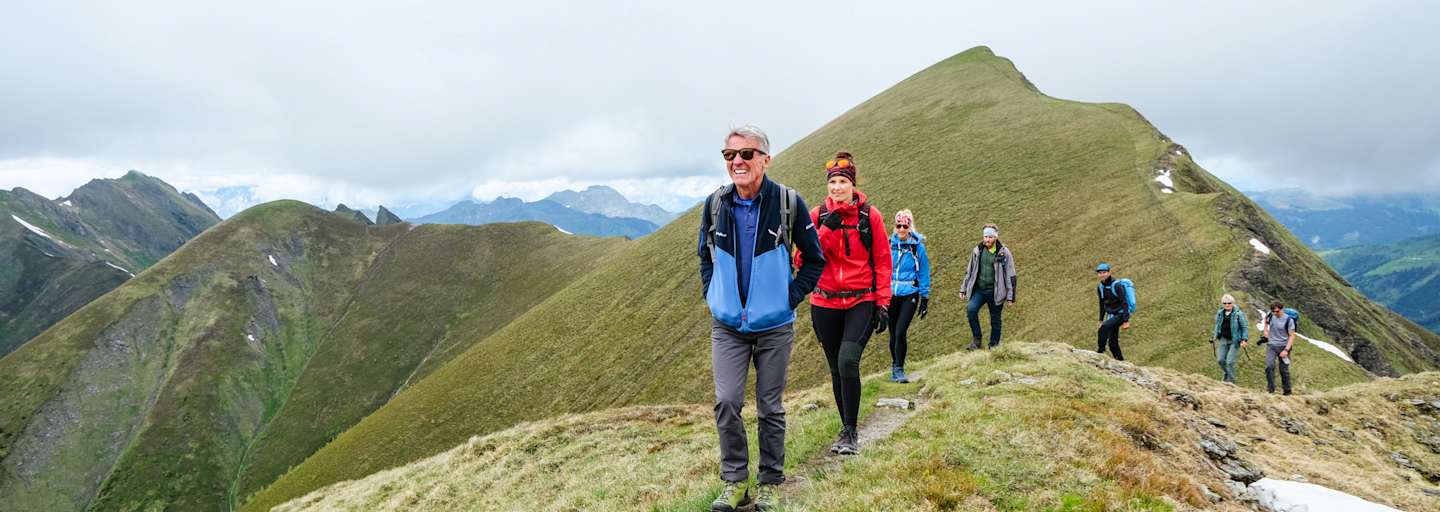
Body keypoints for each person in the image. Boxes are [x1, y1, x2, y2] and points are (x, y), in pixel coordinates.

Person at [698, 125, 825, 512]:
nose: (737, 162)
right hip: (728, 327)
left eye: (746, 154)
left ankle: (769, 481)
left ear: (765, 159)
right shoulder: (715, 204)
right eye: (729, 156)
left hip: (774, 326)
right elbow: (704, 255)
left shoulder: (788, 202)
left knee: (770, 405)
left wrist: (787, 299)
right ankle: (735, 482)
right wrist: (712, 295)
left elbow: (814, 259)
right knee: (727, 401)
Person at [799, 151, 892, 456]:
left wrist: (883, 303)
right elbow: (801, 258)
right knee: (836, 369)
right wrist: (828, 228)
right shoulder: (816, 216)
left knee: (848, 360)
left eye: (842, 182)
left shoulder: (870, 216)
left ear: (853, 185)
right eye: (833, 182)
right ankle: (845, 429)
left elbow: (882, 260)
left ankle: (851, 431)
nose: (837, 188)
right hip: (824, 303)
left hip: (860, 300)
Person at [887, 209, 930, 383]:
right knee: (892, 334)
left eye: (905, 226)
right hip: (890, 294)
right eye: (899, 226)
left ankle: (899, 369)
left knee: (900, 332)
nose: (902, 229)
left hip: (909, 294)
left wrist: (924, 297)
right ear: (895, 226)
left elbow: (924, 272)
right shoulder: (888, 244)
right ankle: (894, 366)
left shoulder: (917, 246)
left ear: (910, 226)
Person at [959, 224, 1017, 350]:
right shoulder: (977, 250)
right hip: (980, 290)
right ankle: (977, 341)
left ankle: (993, 346)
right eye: (985, 236)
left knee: (995, 320)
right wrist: (963, 288)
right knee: (971, 310)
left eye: (990, 237)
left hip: (996, 292)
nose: (987, 239)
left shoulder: (1004, 253)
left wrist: (1011, 297)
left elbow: (1011, 275)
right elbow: (969, 270)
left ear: (995, 237)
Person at [1095, 263, 1134, 361]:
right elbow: (1102, 304)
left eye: (1104, 272)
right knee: (1112, 342)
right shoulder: (1100, 287)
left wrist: (1126, 320)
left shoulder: (1116, 285)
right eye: (1100, 273)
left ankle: (1100, 351)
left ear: (1109, 273)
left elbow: (1124, 302)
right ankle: (1120, 361)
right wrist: (1100, 319)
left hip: (1121, 314)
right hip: (1111, 315)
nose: (1102, 274)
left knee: (1104, 328)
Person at [1211, 294, 1248, 384]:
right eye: (1225, 303)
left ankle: (1231, 382)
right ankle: (1227, 374)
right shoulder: (1220, 313)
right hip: (1223, 339)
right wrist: (1214, 336)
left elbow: (1244, 327)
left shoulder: (1238, 314)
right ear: (1222, 304)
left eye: (1229, 303)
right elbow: (1217, 325)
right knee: (1220, 360)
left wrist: (1244, 339)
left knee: (1230, 362)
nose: (1227, 305)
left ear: (1233, 303)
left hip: (1235, 341)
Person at [1260, 301, 1296, 395]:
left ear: (1282, 309)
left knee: (1283, 370)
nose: (1275, 313)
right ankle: (1270, 390)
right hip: (1271, 346)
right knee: (1269, 366)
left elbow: (1292, 336)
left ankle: (1287, 392)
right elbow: (1266, 320)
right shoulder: (1271, 315)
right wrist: (1265, 330)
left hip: (1284, 347)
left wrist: (1286, 350)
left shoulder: (1289, 320)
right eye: (1273, 311)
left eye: (1277, 311)